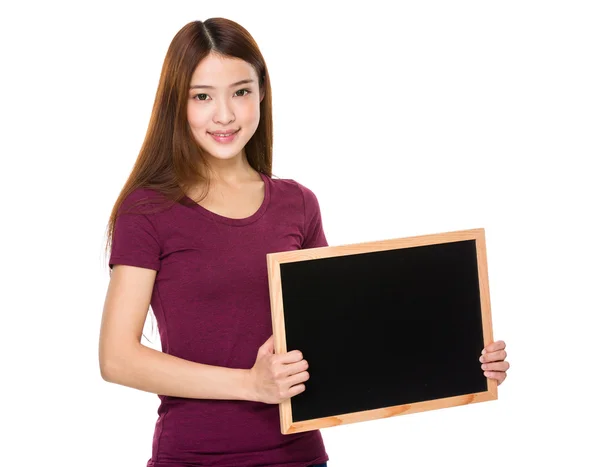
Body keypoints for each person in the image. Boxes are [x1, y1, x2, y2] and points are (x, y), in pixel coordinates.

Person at [99, 18, 510, 467]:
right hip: (195, 457)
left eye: (241, 91)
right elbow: (117, 358)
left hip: (301, 457)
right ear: (177, 104)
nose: (225, 115)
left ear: (261, 94)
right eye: (202, 96)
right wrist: (250, 385)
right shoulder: (149, 210)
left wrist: (462, 360)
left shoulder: (297, 204)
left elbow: (342, 337)